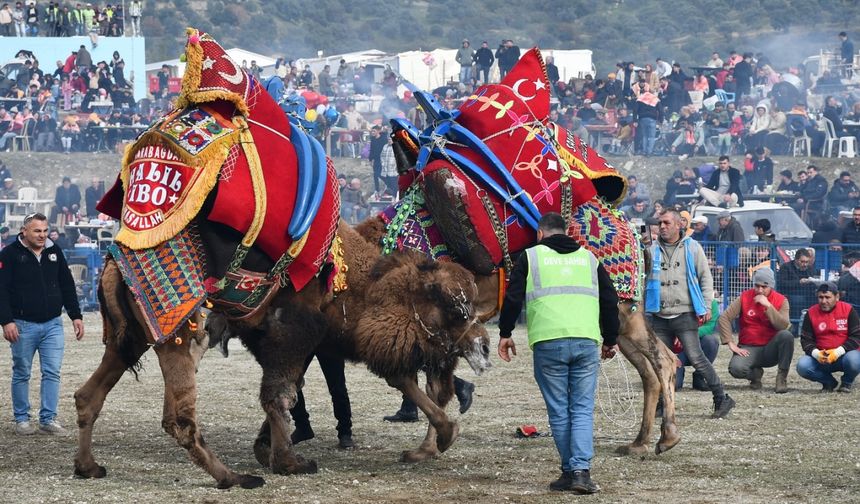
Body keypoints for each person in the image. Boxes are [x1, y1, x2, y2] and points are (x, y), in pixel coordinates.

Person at [497, 212, 619, 494]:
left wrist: (505, 333)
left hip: (548, 342)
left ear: (540, 233)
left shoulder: (531, 257)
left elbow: (513, 297)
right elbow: (609, 299)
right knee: (582, 408)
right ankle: (580, 471)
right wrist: (610, 338)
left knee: (559, 410)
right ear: (566, 232)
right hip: (586, 340)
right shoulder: (589, 259)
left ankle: (570, 471)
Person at [0, 213, 84, 436]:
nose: (42, 235)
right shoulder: (8, 254)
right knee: (22, 372)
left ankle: (48, 419)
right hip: (22, 324)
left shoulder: (54, 251)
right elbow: (1, 291)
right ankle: (21, 419)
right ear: (24, 231)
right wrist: (6, 321)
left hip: (53, 325)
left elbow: (66, 283)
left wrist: (75, 315)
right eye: (37, 231)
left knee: (52, 372)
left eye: (45, 230)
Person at [646, 209, 735, 418]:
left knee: (696, 358)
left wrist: (704, 306)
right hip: (659, 314)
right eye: (660, 223)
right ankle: (661, 403)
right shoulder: (651, 250)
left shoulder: (693, 248)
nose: (662, 227)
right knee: (661, 362)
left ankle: (721, 397)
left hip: (685, 313)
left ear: (679, 225)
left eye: (667, 223)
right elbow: (644, 279)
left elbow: (706, 278)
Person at [719, 268, 793, 392]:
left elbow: (783, 326)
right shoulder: (745, 297)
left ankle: (781, 377)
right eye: (757, 286)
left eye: (764, 287)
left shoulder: (781, 300)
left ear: (771, 286)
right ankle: (754, 375)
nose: (759, 290)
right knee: (736, 369)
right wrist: (730, 342)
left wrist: (768, 306)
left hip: (770, 348)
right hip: (748, 347)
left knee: (786, 336)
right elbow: (724, 318)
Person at [797, 282, 860, 392]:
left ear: (837, 297)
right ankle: (828, 382)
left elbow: (857, 336)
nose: (823, 301)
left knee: (854, 360)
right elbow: (805, 340)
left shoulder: (848, 310)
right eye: (820, 297)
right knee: (802, 366)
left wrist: (837, 352)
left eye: (827, 297)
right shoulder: (811, 313)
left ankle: (846, 382)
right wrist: (817, 354)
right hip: (822, 356)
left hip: (845, 355)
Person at [289, 352, 354, 449]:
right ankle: (302, 427)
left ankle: (345, 432)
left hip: (328, 340)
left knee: (338, 387)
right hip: (302, 340)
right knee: (290, 383)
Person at [777, 248, 815, 322]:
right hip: (790, 294)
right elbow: (782, 283)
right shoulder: (786, 267)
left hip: (807, 294)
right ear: (796, 260)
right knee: (798, 300)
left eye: (807, 262)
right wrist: (799, 282)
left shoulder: (809, 268)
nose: (805, 264)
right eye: (802, 262)